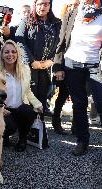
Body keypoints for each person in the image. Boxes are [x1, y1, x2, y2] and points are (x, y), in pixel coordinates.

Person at [53, 0, 102, 156]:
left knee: (100, 102)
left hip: (94, 64)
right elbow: (62, 41)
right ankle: (82, 141)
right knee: (79, 104)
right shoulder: (73, 12)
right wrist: (58, 66)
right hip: (72, 64)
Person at [15, 0, 62, 118]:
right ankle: (27, 127)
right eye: (40, 4)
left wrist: (51, 60)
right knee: (29, 97)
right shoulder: (27, 21)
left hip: (46, 68)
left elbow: (61, 43)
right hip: (29, 66)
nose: (42, 7)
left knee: (42, 97)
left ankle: (39, 127)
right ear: (35, 5)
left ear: (50, 6)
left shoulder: (56, 23)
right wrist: (32, 61)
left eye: (46, 4)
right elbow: (19, 41)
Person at [0, 40, 43, 152]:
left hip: (20, 109)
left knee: (28, 111)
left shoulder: (25, 70)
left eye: (13, 52)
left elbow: (27, 91)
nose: (10, 55)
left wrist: (37, 104)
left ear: (17, 54)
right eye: (6, 52)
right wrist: (0, 108)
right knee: (10, 127)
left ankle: (22, 139)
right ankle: (4, 136)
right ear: (2, 55)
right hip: (4, 110)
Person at [51, 0, 80, 135]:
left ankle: (76, 125)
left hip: (84, 64)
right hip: (67, 63)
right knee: (63, 94)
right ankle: (56, 121)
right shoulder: (68, 16)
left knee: (79, 97)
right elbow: (61, 43)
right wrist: (58, 67)